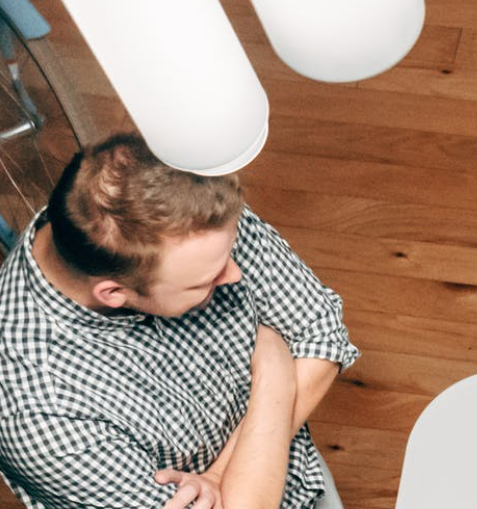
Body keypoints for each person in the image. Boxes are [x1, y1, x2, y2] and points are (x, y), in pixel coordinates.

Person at [0, 134, 357, 509]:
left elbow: (320, 332)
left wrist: (218, 475)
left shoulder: (174, 207)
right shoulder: (39, 414)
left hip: (296, 472)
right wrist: (275, 374)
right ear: (114, 293)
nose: (235, 275)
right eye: (205, 281)